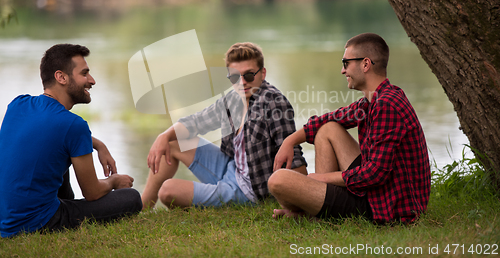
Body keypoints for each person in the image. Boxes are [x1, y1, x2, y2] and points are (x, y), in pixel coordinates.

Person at [269, 33, 431, 224]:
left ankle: (318, 214)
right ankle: (320, 212)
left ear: (365, 64)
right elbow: (330, 118)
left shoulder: (387, 105)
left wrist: (321, 179)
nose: (342, 71)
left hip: (388, 207)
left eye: (345, 63)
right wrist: (290, 141)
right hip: (378, 194)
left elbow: (375, 174)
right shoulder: (375, 100)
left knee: (278, 181)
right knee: (328, 129)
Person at [0, 44, 142, 238]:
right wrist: (114, 181)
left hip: (5, 220)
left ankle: (67, 204)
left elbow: (49, 133)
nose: (92, 81)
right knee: (132, 198)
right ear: (61, 77)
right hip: (36, 223)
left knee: (59, 152)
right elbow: (92, 192)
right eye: (84, 73)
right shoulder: (74, 125)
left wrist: (98, 143)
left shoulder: (18, 104)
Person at [142, 42, 307, 209]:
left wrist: (301, 202)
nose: (242, 82)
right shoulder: (233, 99)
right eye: (235, 77)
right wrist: (162, 136)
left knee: (168, 191)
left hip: (250, 190)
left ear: (262, 73)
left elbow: (293, 155)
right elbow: (197, 121)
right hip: (231, 168)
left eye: (249, 75)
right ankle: (142, 209)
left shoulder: (273, 103)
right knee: (171, 142)